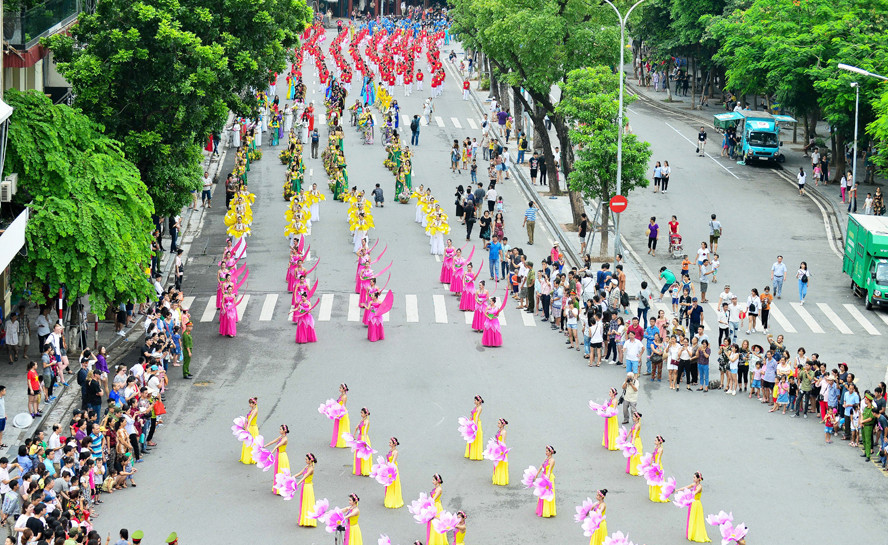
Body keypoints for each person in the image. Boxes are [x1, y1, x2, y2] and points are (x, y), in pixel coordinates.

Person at [678, 472, 710, 542]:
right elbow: (686, 487)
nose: (693, 479)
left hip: (697, 504)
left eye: (694, 477)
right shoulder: (694, 484)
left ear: (698, 479)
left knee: (696, 519)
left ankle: (696, 534)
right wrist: (677, 490)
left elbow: (695, 492)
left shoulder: (700, 487)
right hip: (692, 503)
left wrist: (688, 494)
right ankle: (692, 533)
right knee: (691, 518)